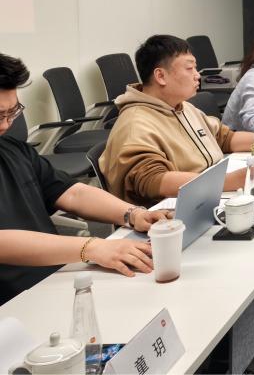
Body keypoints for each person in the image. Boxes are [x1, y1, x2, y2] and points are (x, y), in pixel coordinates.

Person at [100, 35, 254, 320]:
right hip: (171, 227)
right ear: (161, 76)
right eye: (190, 68)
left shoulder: (184, 108)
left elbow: (225, 138)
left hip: (206, 205)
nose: (198, 75)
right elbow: (152, 180)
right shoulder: (136, 123)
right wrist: (228, 182)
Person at [0, 53, 171, 305]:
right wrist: (90, 247)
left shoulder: (13, 150)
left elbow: (71, 193)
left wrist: (132, 214)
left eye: (12, 112)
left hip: (56, 279)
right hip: (13, 302)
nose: (5, 125)